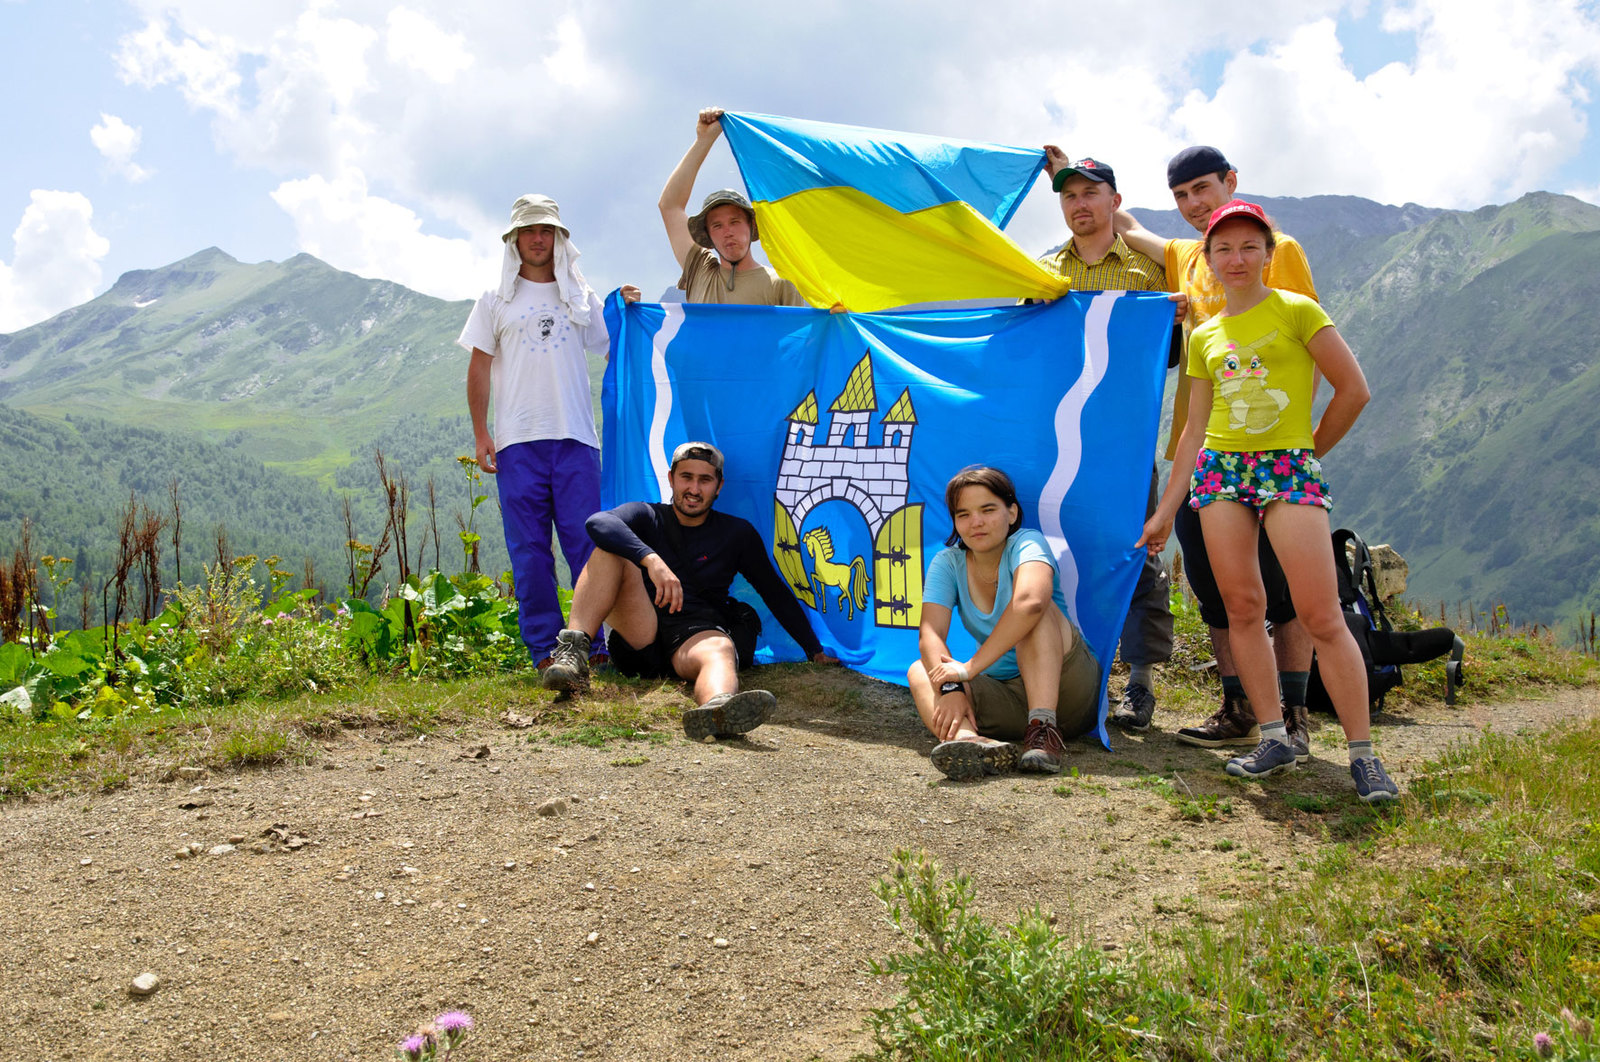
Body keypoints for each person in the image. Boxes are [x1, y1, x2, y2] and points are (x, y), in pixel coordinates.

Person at [1137, 200, 1398, 803]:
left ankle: (1364, 756)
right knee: (1242, 608)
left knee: (1320, 614)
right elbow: (1193, 432)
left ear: (1268, 254)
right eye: (1223, 248)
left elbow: (1353, 390)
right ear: (1207, 259)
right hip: (1220, 473)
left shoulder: (1298, 310)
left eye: (1249, 246)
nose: (1236, 258)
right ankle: (1275, 735)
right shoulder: (1204, 334)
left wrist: (1305, 454)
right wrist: (1165, 511)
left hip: (1287, 469)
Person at [1117, 146, 1318, 760]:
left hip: (1269, 452)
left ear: (1231, 182)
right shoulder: (1185, 256)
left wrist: (1297, 445)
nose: (1194, 204)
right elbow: (1126, 227)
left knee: (1283, 593)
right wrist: (1068, 171)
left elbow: (1306, 346)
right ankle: (1239, 706)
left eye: (1203, 188)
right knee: (1217, 589)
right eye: (1182, 196)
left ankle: (1295, 712)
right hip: (1201, 454)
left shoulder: (1277, 254)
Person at [542, 442, 839, 739]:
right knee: (610, 549)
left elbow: (774, 591)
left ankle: (717, 710)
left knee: (720, 649)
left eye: (705, 480)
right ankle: (573, 655)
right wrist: (651, 560)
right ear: (671, 478)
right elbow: (598, 522)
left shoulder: (737, 533)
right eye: (686, 477)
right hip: (641, 633)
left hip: (695, 635)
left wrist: (814, 650)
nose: (694, 489)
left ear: (719, 486)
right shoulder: (647, 516)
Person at [460, 194, 640, 668]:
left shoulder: (580, 297)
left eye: (547, 230)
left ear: (559, 238)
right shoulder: (494, 299)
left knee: (589, 544)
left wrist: (626, 311)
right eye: (529, 230)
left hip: (577, 439)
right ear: (514, 239)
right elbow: (479, 368)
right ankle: (544, 649)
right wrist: (481, 433)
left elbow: (616, 346)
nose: (538, 238)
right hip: (517, 442)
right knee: (530, 551)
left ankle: (592, 646)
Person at [1038, 151, 1175, 733]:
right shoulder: (1043, 272)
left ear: (1115, 203)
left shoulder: (1148, 274)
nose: (1080, 205)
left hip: (1123, 439)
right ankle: (1069, 670)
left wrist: (1170, 320)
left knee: (1135, 549)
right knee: (1057, 545)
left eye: (1091, 194)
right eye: (1069, 196)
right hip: (1053, 435)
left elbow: (1170, 357)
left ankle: (1139, 681)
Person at [909, 467, 1101, 780]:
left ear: (1011, 513)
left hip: (1069, 689)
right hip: (1005, 698)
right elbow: (930, 633)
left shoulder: (1027, 543)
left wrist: (969, 669)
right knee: (920, 671)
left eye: (988, 510)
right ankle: (973, 745)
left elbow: (1031, 602)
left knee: (1034, 617)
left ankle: (1044, 731)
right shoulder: (948, 562)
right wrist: (952, 687)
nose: (977, 523)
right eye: (964, 515)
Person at [659, 107, 807, 306]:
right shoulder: (700, 272)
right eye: (717, 226)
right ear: (708, 236)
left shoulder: (779, 284)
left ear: (751, 225)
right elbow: (670, 206)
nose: (727, 232)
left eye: (735, 222)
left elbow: (798, 336)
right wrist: (704, 140)